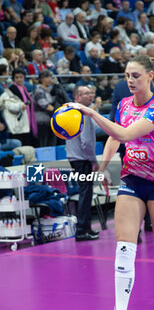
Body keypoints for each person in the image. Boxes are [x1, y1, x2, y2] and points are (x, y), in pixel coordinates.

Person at [66, 55, 154, 310]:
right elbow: (114, 138)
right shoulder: (124, 104)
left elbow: (123, 133)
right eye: (126, 75)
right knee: (124, 247)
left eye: (136, 75)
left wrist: (92, 113)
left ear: (150, 76)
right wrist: (103, 164)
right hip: (132, 180)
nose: (130, 80)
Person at [66, 85, 99, 241]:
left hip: (75, 157)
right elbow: (86, 142)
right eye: (86, 93)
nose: (90, 96)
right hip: (82, 159)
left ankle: (86, 228)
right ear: (77, 97)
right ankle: (82, 230)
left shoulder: (72, 113)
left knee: (86, 193)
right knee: (86, 194)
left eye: (91, 92)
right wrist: (94, 160)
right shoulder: (83, 114)